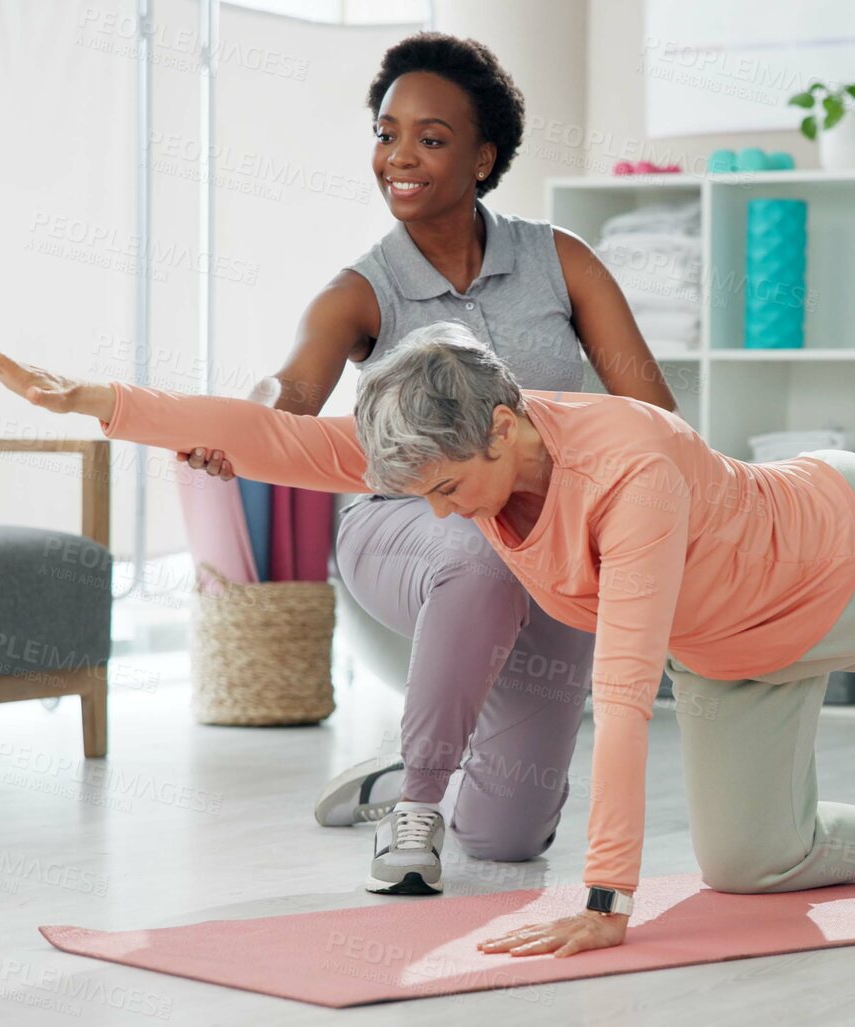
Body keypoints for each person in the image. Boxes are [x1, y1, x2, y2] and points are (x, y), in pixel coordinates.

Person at [0, 322, 855, 960]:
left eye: (444, 488)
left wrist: (608, 895)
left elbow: (622, 694)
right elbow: (284, 440)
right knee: (756, 863)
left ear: (503, 425)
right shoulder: (450, 437)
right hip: (744, 642)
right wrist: (92, 397)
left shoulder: (620, 468)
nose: (439, 513)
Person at [179, 32, 679, 896]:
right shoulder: (361, 290)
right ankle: (415, 804)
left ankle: (395, 776)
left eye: (430, 138)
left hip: (547, 549)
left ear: (484, 157)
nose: (398, 157)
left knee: (508, 840)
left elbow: (654, 414)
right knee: (476, 556)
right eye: (385, 133)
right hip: (410, 527)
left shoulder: (561, 262)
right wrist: (246, 422)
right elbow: (293, 389)